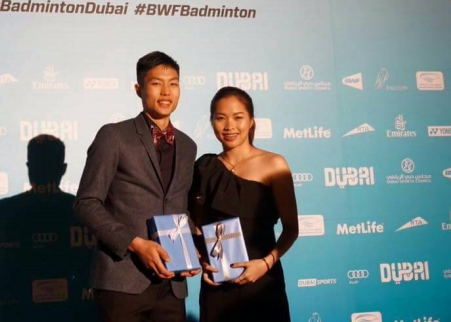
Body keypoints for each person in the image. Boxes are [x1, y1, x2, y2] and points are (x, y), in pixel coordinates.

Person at [74, 51, 200, 322]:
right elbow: (86, 203)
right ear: (138, 89)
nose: (166, 92)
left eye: (173, 83)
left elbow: (180, 208)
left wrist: (191, 247)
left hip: (173, 285)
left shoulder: (188, 146)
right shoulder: (114, 136)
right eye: (156, 83)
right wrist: (135, 243)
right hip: (122, 281)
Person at [190, 86, 298, 322]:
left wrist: (265, 264)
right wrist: (203, 260)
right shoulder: (204, 167)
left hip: (262, 283)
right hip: (217, 286)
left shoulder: (274, 164)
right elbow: (196, 226)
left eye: (238, 117)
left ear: (251, 121)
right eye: (221, 118)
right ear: (212, 122)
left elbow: (292, 229)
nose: (229, 126)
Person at [0, 135, 95, 322]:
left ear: (29, 168)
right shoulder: (85, 211)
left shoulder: (2, 210)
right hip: (71, 313)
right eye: (41, 165)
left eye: (46, 165)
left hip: (21, 314)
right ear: (63, 169)